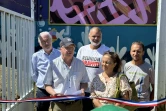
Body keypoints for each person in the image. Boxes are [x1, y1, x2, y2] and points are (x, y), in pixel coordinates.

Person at [44, 37, 89, 111]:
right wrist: (54, 94)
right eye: (67, 48)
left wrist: (82, 90)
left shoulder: (80, 64)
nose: (70, 50)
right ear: (60, 49)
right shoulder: (53, 64)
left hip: (75, 105)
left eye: (72, 47)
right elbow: (47, 85)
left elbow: (84, 82)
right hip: (58, 105)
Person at [76, 27, 110, 111]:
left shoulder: (106, 50)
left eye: (98, 36)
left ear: (101, 37)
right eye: (94, 36)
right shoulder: (82, 50)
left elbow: (110, 70)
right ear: (89, 36)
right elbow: (76, 68)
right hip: (84, 90)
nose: (96, 38)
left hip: (100, 91)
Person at [31, 31, 61, 111]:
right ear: (40, 44)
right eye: (43, 41)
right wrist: (41, 82)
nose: (46, 43)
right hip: (42, 90)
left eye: (48, 40)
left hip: (57, 89)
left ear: (51, 40)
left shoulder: (60, 54)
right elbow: (34, 73)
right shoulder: (35, 56)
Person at [124, 41, 155, 111]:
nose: (135, 54)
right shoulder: (126, 66)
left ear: (143, 52)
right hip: (130, 104)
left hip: (144, 105)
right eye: (133, 51)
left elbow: (154, 87)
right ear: (130, 52)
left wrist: (150, 102)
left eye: (138, 51)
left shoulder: (149, 68)